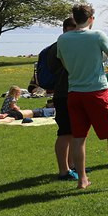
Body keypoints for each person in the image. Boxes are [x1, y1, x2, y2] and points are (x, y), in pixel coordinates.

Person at [56, 3, 108, 190]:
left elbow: (65, 63)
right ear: (91, 18)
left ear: (75, 18)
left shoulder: (63, 39)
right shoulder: (98, 35)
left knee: (79, 137)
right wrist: (100, 57)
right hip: (97, 92)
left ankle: (82, 179)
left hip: (74, 93)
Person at [45, 17, 78, 180]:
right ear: (65, 29)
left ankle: (73, 166)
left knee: (74, 132)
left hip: (74, 92)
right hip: (63, 93)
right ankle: (63, 170)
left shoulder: (66, 45)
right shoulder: (59, 46)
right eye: (72, 29)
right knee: (65, 132)